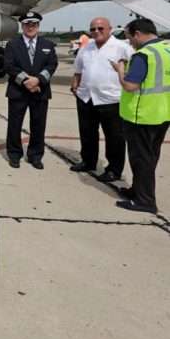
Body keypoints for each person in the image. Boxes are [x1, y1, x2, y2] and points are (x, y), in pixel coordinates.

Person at [112, 18, 170, 213]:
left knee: (141, 159)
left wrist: (120, 71)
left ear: (137, 34)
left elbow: (130, 85)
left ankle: (145, 201)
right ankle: (138, 190)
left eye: (129, 38)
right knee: (151, 157)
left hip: (142, 115)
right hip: (162, 114)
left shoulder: (143, 54)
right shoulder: (166, 49)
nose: (130, 43)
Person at [70, 17, 132, 182]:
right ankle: (88, 161)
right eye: (93, 29)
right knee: (87, 133)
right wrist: (75, 85)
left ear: (109, 29)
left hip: (111, 99)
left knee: (114, 137)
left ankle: (113, 169)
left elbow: (133, 71)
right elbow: (78, 68)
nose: (96, 31)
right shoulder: (87, 47)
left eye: (100, 28)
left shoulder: (122, 47)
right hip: (86, 97)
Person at [4, 11, 58, 170]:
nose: (30, 27)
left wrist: (38, 80)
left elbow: (52, 65)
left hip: (40, 91)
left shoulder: (47, 45)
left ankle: (35, 155)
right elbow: (9, 66)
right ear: (22, 26)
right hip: (18, 91)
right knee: (14, 125)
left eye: (33, 24)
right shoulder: (13, 44)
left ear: (38, 25)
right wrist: (26, 81)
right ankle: (14, 154)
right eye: (27, 24)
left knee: (38, 125)